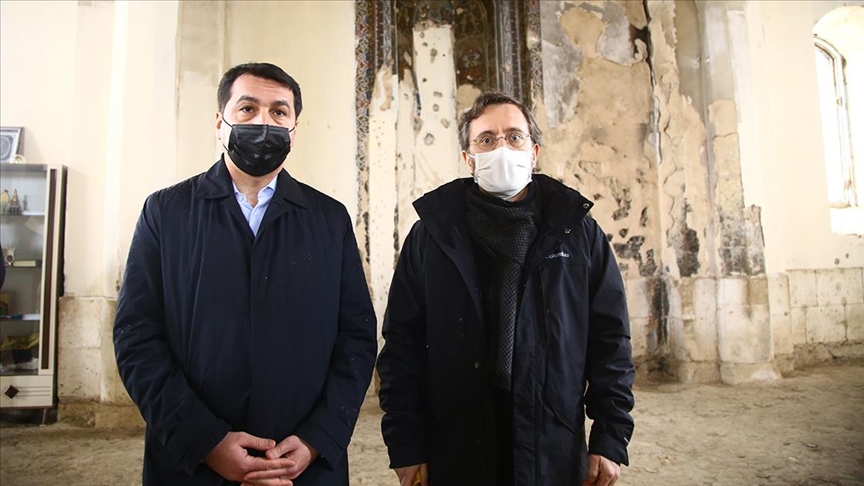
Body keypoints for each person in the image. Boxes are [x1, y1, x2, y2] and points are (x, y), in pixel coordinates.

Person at [114, 62, 378, 486]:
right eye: (248, 109)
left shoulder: (329, 220)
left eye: (279, 112)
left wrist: (317, 437)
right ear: (220, 123)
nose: (263, 122)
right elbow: (137, 337)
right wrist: (205, 441)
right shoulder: (166, 212)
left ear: (294, 129)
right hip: (194, 465)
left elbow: (357, 338)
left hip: (301, 464)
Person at [377, 92, 635, 486]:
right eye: (486, 139)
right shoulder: (431, 236)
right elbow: (402, 346)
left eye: (514, 137)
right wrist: (407, 445)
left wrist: (610, 437)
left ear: (533, 153)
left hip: (551, 437)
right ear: (468, 158)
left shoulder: (578, 233)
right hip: (456, 441)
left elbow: (611, 341)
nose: (502, 148)